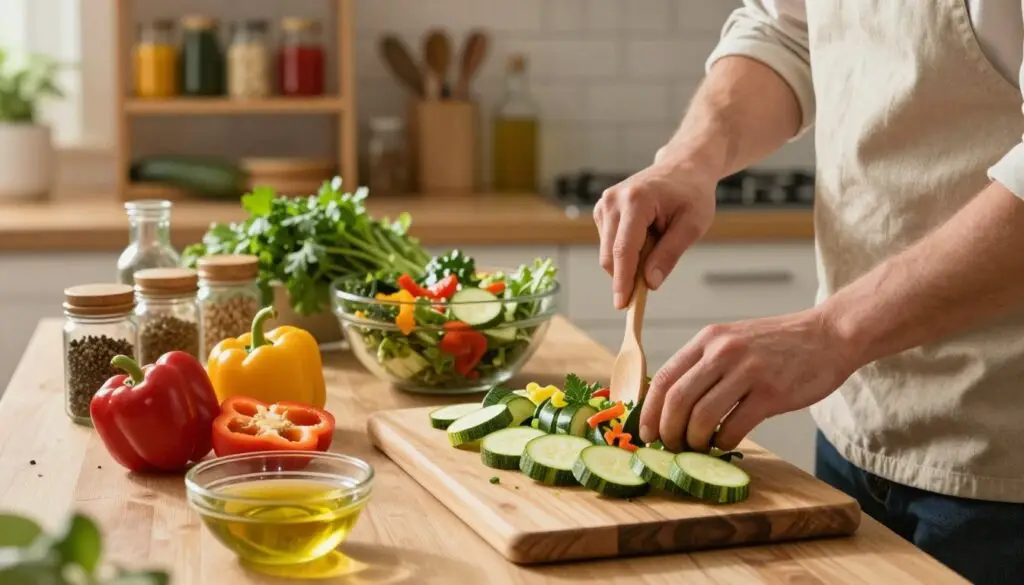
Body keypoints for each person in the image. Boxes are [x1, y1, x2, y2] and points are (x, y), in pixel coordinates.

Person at [593, 2, 1024, 583]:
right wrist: (690, 159)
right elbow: (786, 32)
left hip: (1003, 460)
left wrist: (832, 331)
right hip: (854, 423)